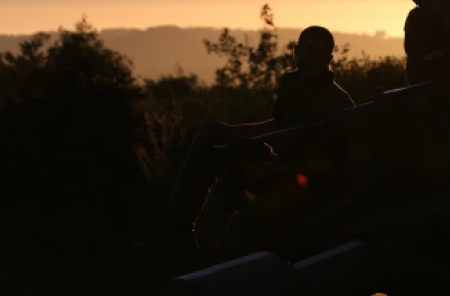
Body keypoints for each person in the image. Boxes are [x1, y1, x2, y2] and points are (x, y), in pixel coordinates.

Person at [136, 26, 354, 271]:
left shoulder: (336, 103)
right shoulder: (293, 84)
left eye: (322, 54)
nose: (314, 59)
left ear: (329, 60)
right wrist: (233, 132)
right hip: (280, 169)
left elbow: (325, 168)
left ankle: (207, 274)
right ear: (296, 51)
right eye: (310, 51)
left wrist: (269, 169)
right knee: (211, 138)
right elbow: (281, 125)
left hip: (306, 185)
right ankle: (177, 233)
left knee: (243, 226)